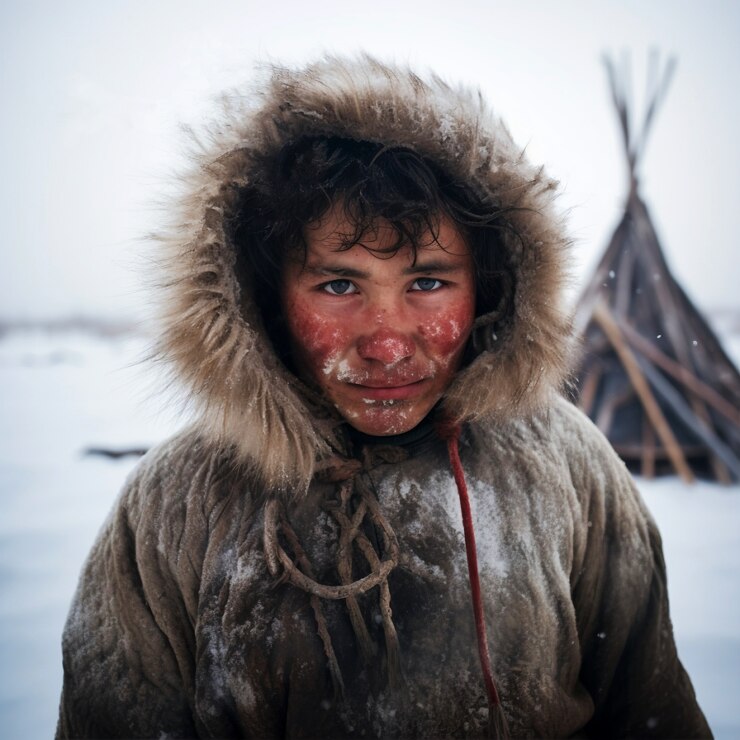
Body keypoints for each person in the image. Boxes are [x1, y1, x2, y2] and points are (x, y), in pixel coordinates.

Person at [57, 56, 711, 739]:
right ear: (266, 299)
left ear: (486, 287)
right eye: (339, 287)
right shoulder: (178, 504)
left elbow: (651, 712)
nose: (388, 344)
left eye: (427, 283)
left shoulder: (567, 470)